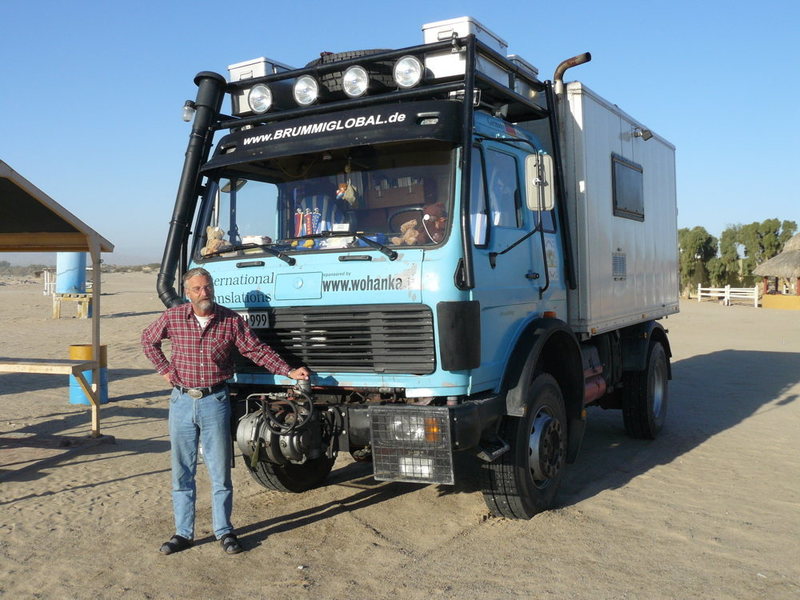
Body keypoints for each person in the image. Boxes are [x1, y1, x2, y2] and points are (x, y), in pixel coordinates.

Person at [141, 267, 309, 555]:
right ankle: (183, 533)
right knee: (182, 471)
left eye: (207, 287)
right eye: (197, 289)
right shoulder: (173, 317)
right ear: (187, 293)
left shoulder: (230, 320)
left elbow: (257, 351)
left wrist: (289, 371)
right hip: (181, 402)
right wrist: (165, 369)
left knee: (219, 471)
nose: (204, 293)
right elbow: (148, 340)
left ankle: (224, 531)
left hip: (215, 401)